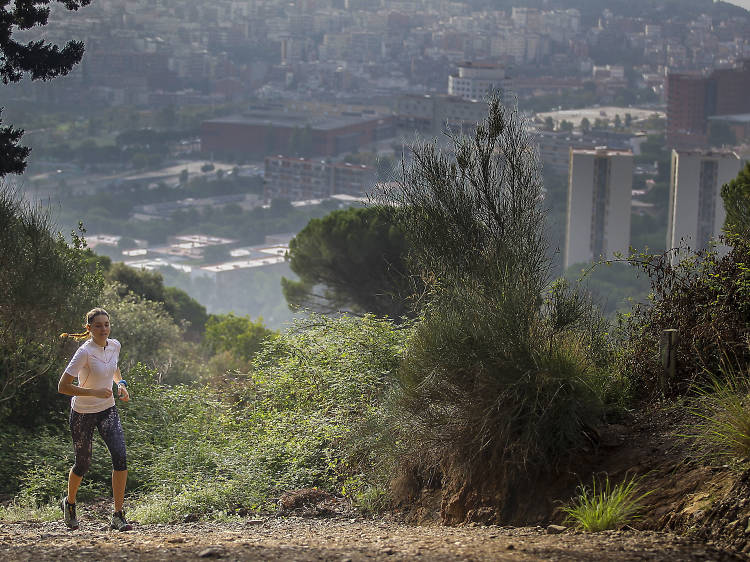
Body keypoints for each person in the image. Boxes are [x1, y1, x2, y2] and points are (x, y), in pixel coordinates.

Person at [58, 307, 132, 531]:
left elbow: (114, 368)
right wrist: (93, 392)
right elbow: (63, 387)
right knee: (83, 463)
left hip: (107, 409)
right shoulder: (84, 352)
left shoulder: (115, 345)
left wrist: (121, 384)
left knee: (120, 458)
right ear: (89, 329)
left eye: (106, 325)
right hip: (83, 413)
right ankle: (69, 504)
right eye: (98, 326)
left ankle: (118, 515)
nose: (103, 329)